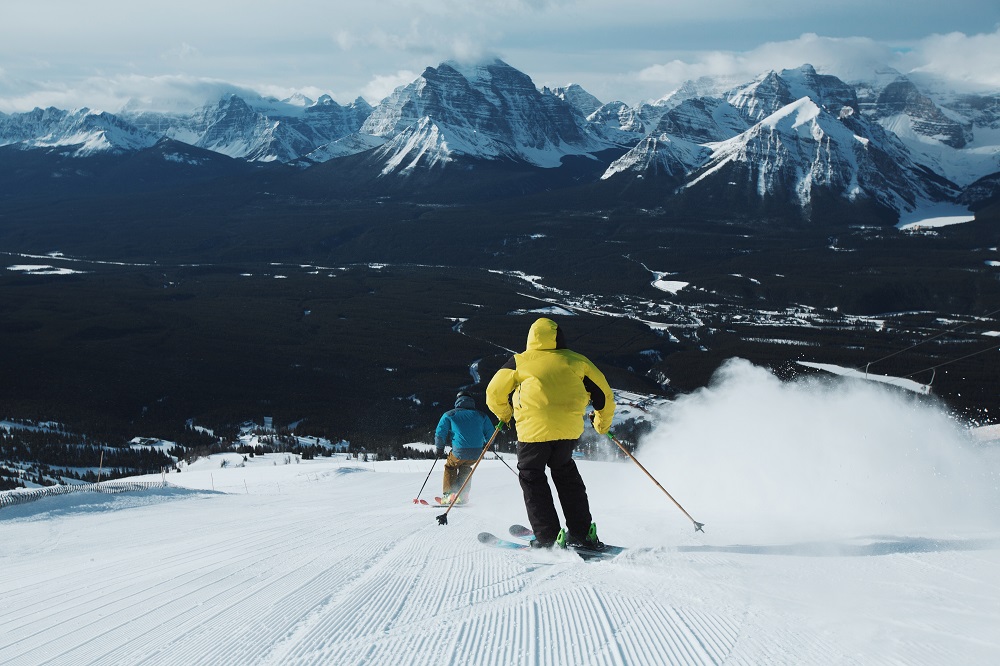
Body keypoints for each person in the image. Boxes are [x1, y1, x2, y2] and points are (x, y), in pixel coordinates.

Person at [486, 317, 615, 550]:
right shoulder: (577, 361)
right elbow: (604, 396)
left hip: (532, 433)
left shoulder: (518, 361)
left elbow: (493, 393)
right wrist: (601, 425)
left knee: (532, 476)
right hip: (567, 432)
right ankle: (583, 534)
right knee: (566, 474)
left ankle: (548, 538)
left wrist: (505, 415)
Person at [435, 391, 495, 504]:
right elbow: (491, 432)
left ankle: (449, 496)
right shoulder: (481, 415)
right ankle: (463, 495)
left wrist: (439, 449)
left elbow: (440, 433)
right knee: (466, 468)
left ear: (458, 400)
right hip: (476, 453)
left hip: (459, 451)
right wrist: (490, 444)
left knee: (450, 466)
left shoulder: (450, 414)